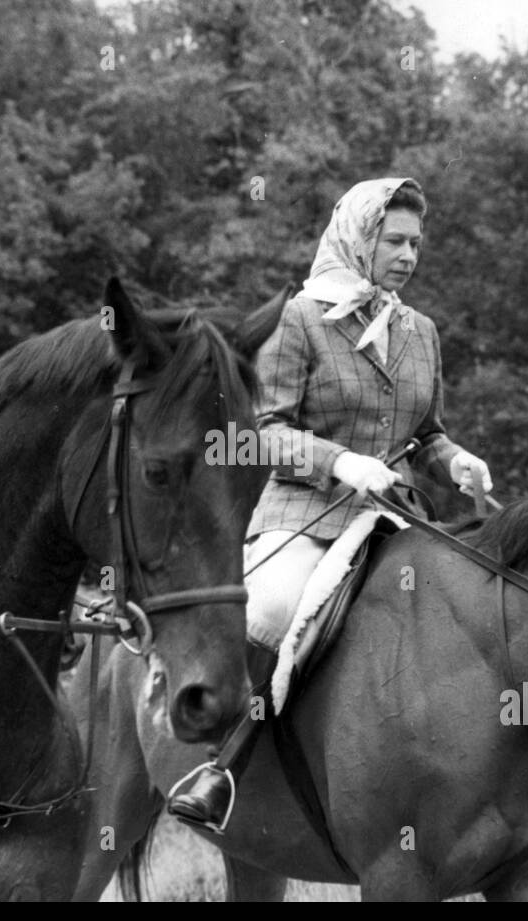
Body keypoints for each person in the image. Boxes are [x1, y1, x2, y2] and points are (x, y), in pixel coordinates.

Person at [168, 177, 493, 832]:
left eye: (416, 243)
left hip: (393, 522)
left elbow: (427, 434)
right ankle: (225, 765)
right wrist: (339, 461)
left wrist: (455, 461)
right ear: (359, 236)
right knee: (276, 607)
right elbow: (263, 432)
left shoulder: (419, 330)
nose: (408, 255)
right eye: (393, 240)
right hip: (306, 517)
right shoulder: (301, 320)